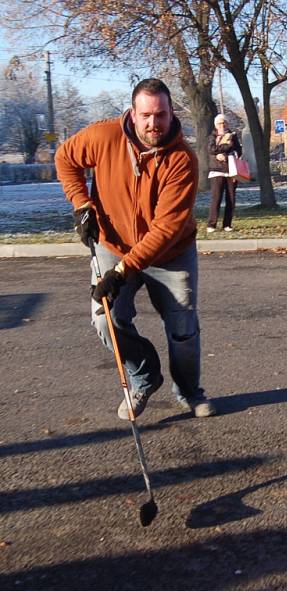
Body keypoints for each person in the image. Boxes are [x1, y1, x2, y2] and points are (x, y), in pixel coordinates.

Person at [56, 78, 217, 420]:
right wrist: (81, 204)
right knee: (106, 320)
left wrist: (120, 273)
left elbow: (166, 228)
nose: (152, 123)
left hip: (169, 253)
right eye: (145, 115)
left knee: (183, 326)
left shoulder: (182, 160)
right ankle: (144, 376)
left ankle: (189, 391)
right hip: (111, 243)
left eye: (160, 115)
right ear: (132, 112)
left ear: (172, 112)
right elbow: (65, 158)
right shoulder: (103, 136)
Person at [206, 113, 243, 233]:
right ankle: (211, 224)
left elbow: (238, 150)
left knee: (231, 199)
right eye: (219, 123)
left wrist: (225, 156)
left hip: (231, 170)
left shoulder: (232, 136)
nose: (222, 125)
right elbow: (211, 150)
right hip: (216, 171)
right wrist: (223, 150)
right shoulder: (212, 137)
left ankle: (227, 224)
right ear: (216, 125)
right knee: (216, 198)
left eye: (224, 123)